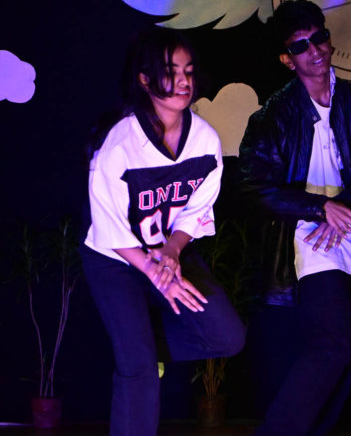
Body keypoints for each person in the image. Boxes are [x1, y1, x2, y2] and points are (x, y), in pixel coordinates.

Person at [238, 0, 351, 436]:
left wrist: (342, 206)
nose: (315, 50)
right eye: (301, 45)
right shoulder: (274, 116)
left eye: (320, 37)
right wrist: (319, 208)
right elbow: (254, 185)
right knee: (332, 344)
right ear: (286, 59)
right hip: (306, 235)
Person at [82, 29, 245, 436]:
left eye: (188, 71)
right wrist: (154, 271)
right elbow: (109, 225)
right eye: (171, 72)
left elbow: (197, 209)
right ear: (144, 79)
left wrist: (172, 251)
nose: (184, 81)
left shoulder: (204, 139)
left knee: (228, 337)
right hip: (115, 258)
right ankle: (135, 352)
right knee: (138, 367)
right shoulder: (119, 143)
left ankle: (136, 344)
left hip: (169, 250)